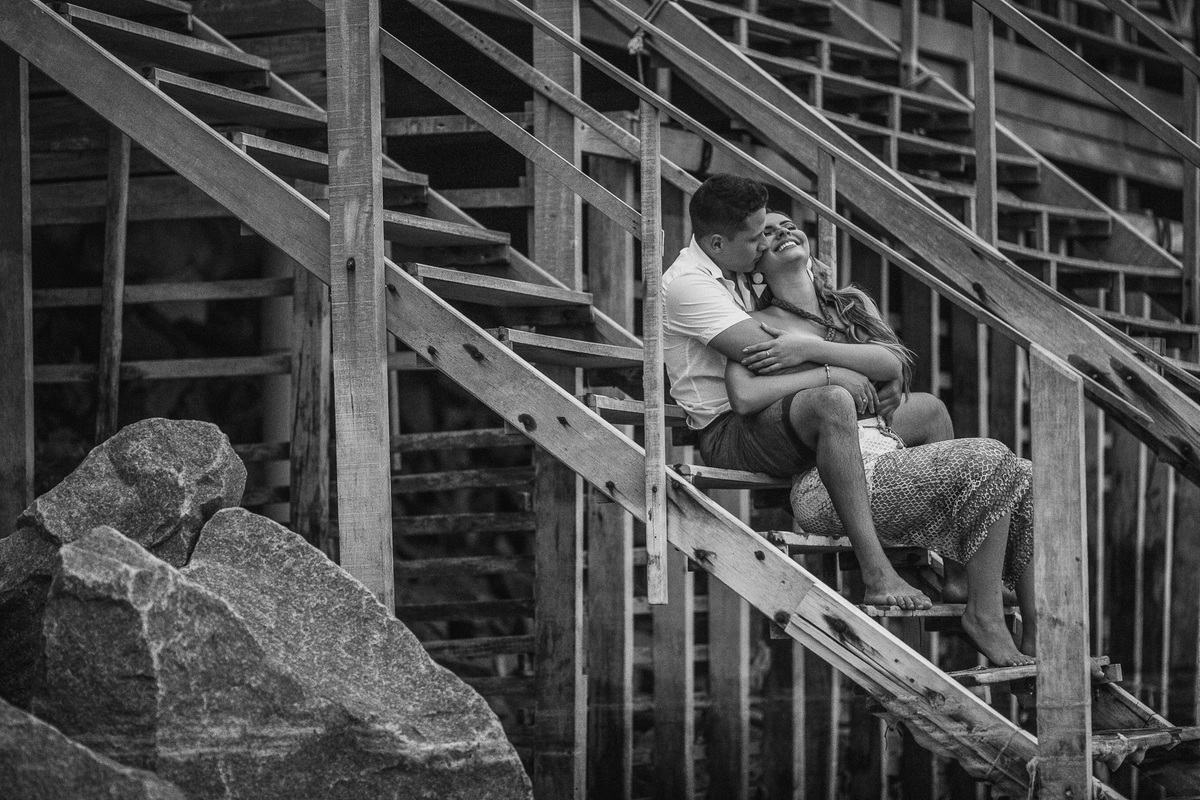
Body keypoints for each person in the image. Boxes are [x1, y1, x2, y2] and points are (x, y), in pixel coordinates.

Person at [725, 210, 1035, 666]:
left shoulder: (850, 307)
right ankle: (984, 618)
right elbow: (744, 395)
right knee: (992, 456)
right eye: (767, 232)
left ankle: (1030, 626)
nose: (783, 231)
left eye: (789, 224)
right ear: (755, 263)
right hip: (828, 485)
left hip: (887, 458)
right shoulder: (758, 323)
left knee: (1025, 474)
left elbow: (893, 364)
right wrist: (828, 376)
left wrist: (809, 350)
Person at [663, 174, 936, 613]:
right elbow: (770, 364)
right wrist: (842, 371)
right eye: (757, 238)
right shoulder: (690, 285)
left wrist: (888, 372)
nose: (763, 246)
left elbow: (816, 348)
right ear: (717, 244)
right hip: (730, 429)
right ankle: (876, 572)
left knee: (929, 411)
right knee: (833, 400)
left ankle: (952, 564)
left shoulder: (743, 274)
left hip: (782, 408)